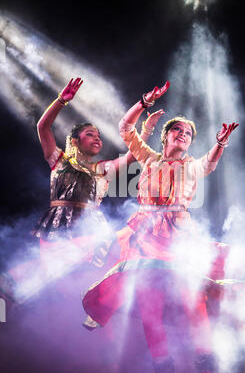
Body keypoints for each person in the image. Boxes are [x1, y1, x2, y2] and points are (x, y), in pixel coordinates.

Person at [82, 82, 239, 373]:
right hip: (145, 240)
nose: (184, 135)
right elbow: (125, 127)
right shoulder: (149, 159)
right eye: (178, 130)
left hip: (178, 240)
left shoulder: (192, 167)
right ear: (166, 135)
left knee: (193, 303)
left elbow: (209, 163)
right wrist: (144, 102)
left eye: (189, 133)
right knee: (150, 307)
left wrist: (220, 143)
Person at [1, 78, 161, 305]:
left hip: (91, 228)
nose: (97, 138)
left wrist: (147, 128)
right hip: (59, 227)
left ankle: (98, 313)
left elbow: (131, 156)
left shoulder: (101, 169)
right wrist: (60, 101)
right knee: (49, 278)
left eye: (98, 135)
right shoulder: (59, 160)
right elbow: (42, 127)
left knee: (94, 277)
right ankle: (11, 296)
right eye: (90, 134)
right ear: (75, 141)